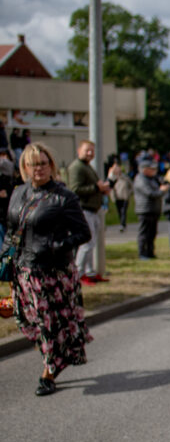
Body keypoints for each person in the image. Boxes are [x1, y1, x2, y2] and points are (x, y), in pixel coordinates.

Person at [3, 143, 92, 396]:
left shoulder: (64, 197)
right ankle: (54, 356)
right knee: (26, 323)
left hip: (52, 274)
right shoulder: (18, 193)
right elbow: (11, 230)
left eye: (42, 163)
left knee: (48, 326)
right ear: (24, 167)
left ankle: (49, 372)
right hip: (23, 271)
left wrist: (54, 246)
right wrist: (5, 258)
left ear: (51, 165)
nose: (38, 169)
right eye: (32, 164)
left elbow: (83, 233)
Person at [67, 140, 111, 285]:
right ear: (79, 150)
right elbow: (75, 190)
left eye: (92, 150)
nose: (90, 153)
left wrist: (102, 189)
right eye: (87, 150)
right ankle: (79, 273)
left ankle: (89, 272)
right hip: (83, 210)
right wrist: (97, 188)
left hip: (93, 209)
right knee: (86, 244)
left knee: (92, 243)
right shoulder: (77, 167)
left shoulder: (87, 167)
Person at [133, 160, 167, 259]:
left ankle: (150, 252)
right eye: (151, 169)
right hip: (144, 210)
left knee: (152, 233)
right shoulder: (140, 179)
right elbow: (150, 194)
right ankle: (142, 253)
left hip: (153, 209)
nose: (154, 171)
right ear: (145, 169)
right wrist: (161, 191)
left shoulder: (152, 179)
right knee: (144, 233)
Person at [109, 162, 133, 232]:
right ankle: (122, 223)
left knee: (123, 211)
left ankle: (123, 224)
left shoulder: (125, 178)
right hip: (118, 198)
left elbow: (131, 186)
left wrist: (129, 193)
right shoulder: (114, 179)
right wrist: (113, 197)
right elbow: (111, 189)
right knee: (119, 211)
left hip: (125, 197)